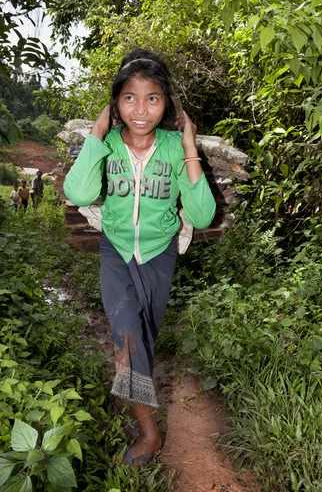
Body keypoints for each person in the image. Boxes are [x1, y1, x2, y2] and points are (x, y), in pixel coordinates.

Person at [64, 48, 216, 466]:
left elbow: (203, 214)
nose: (141, 109)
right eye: (129, 97)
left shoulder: (171, 148)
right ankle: (150, 432)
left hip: (159, 253)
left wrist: (188, 146)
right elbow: (77, 193)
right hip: (115, 250)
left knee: (144, 332)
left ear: (166, 103)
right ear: (116, 102)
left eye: (153, 97)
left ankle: (126, 397)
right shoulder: (108, 144)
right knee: (128, 333)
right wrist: (97, 129)